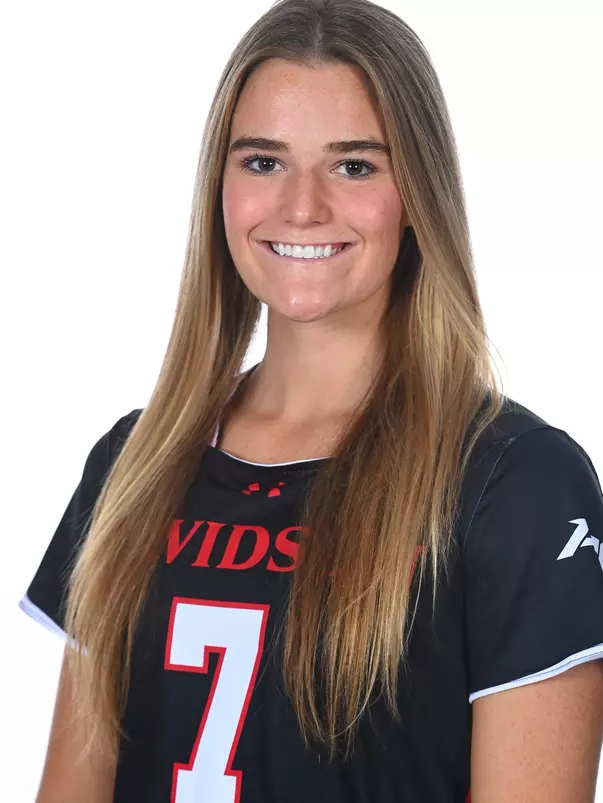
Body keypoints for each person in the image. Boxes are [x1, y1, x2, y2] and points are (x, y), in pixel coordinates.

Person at [20, 0, 603, 801]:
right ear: (218, 184)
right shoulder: (133, 463)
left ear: (418, 191)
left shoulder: (515, 482)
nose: (301, 206)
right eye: (262, 161)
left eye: (354, 165)